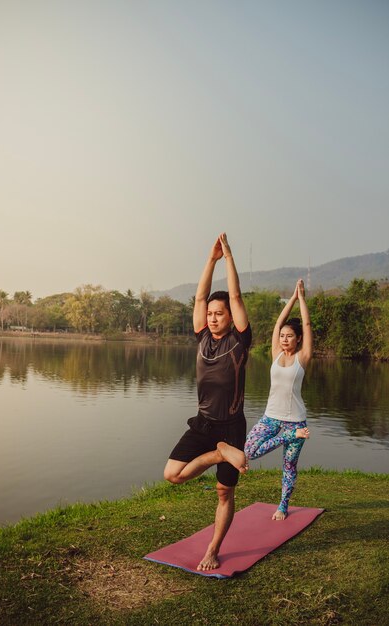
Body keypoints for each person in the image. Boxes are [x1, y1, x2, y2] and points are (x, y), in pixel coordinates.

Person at [164, 233, 252, 571]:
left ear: (231, 316)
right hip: (203, 424)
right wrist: (210, 259)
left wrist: (228, 257)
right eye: (211, 313)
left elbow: (235, 294)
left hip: (231, 425)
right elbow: (200, 295)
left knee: (224, 492)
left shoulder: (240, 341)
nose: (214, 317)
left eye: (220, 313)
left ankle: (213, 549)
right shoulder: (202, 337)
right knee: (172, 474)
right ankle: (219, 452)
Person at [218, 279, 313, 520]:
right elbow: (278, 323)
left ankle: (283, 505)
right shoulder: (276, 354)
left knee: (289, 466)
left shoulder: (302, 358)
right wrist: (291, 297)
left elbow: (307, 324)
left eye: (289, 336)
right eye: (282, 336)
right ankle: (288, 437)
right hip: (271, 418)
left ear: (298, 339)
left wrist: (301, 299)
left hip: (296, 421)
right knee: (248, 451)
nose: (284, 339)